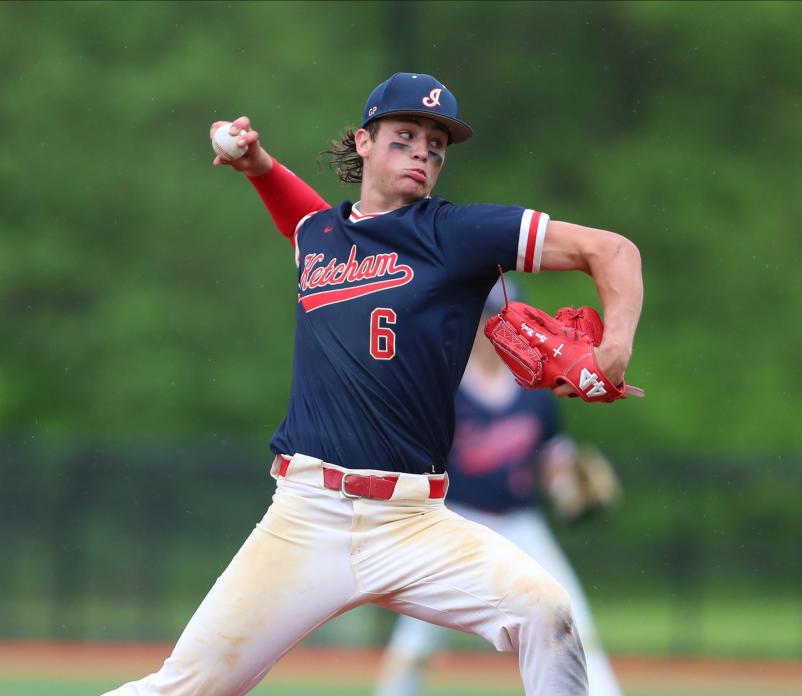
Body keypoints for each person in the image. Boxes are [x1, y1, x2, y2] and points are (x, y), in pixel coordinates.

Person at [104, 71, 642, 696]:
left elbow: (613, 251)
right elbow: (301, 219)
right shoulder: (320, 237)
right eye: (404, 135)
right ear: (363, 142)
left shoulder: (456, 235)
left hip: (415, 522)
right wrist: (257, 166)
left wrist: (615, 346)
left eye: (436, 145)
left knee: (546, 609)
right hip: (306, 518)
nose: (422, 151)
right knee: (188, 685)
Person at [374, 281, 625, 696]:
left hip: (520, 523)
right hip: (456, 522)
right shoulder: (447, 387)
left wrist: (573, 490)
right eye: (484, 314)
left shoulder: (535, 391)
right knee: (417, 639)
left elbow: (553, 467)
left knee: (568, 614)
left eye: (501, 315)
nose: (491, 324)